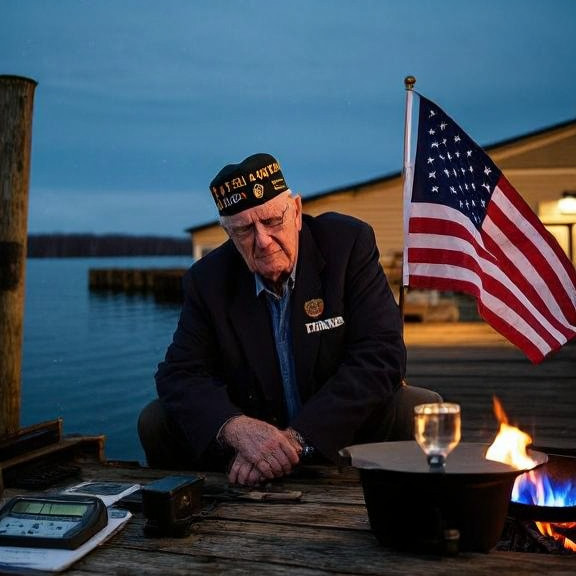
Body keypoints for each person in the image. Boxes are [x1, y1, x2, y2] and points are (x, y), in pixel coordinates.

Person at [138, 152, 441, 486]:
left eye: (271, 221)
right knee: (156, 419)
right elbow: (179, 373)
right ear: (228, 234)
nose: (263, 241)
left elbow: (382, 353)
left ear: (296, 211)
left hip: (341, 431)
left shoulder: (347, 244)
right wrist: (235, 428)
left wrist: (297, 439)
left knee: (418, 406)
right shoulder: (207, 280)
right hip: (250, 443)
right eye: (244, 230)